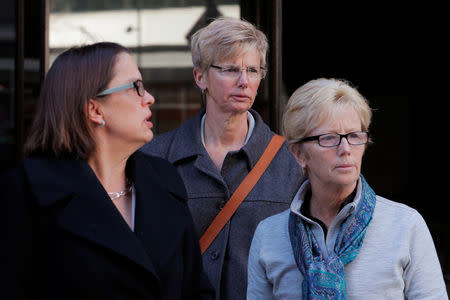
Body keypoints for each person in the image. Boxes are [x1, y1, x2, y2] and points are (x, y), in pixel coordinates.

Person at [3, 42, 214, 299]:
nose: (149, 98)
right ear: (94, 109)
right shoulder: (26, 193)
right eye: (136, 87)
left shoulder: (165, 181)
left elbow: (195, 289)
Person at [140, 17, 303, 299]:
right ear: (200, 77)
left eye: (253, 70)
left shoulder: (290, 161)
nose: (244, 81)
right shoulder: (155, 159)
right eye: (230, 69)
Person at [247, 78, 449, 299]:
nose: (345, 149)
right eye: (329, 138)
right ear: (299, 154)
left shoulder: (406, 226)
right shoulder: (269, 236)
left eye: (354, 136)